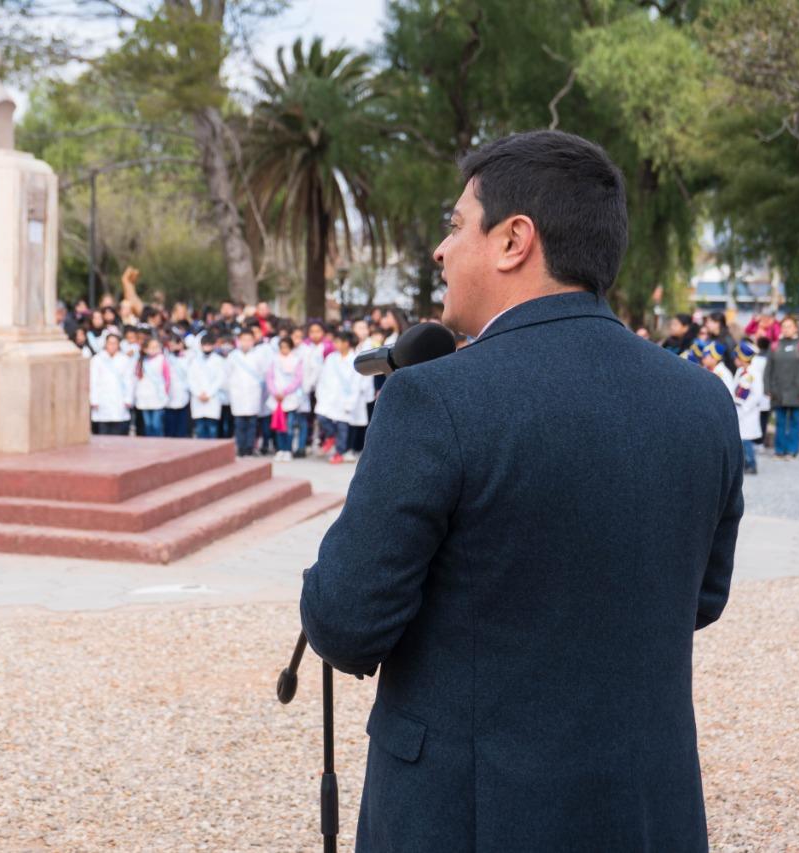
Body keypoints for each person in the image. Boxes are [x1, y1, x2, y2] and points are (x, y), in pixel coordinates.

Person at [300, 130, 742, 852]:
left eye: (454, 225)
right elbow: (702, 596)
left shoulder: (433, 400)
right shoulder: (702, 400)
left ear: (514, 240)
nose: (441, 252)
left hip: (469, 814)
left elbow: (346, 620)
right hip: (645, 807)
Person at [764, 316, 799, 459]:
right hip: (778, 391)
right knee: (779, 421)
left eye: (789, 326)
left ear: (795, 328)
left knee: (794, 421)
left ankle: (792, 450)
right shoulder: (774, 346)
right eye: (784, 326)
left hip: (796, 391)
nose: (786, 329)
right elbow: (768, 369)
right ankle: (779, 450)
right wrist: (767, 388)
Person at [313, 330, 361, 465]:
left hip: (345, 399)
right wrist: (320, 395)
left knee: (342, 427)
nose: (335, 344)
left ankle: (339, 453)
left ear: (346, 343)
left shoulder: (354, 360)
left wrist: (350, 402)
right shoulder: (331, 358)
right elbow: (323, 378)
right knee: (321, 417)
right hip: (328, 397)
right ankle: (330, 436)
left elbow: (357, 382)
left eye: (338, 341)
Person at [226, 328, 265, 457]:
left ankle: (250, 447)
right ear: (238, 341)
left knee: (252, 424)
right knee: (239, 424)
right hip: (238, 394)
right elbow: (227, 375)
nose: (246, 342)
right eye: (244, 340)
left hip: (253, 394)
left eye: (249, 340)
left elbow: (262, 374)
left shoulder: (258, 356)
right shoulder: (233, 356)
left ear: (253, 341)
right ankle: (240, 448)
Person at [266, 336, 304, 462]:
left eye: (286, 347)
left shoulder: (296, 360)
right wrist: (274, 392)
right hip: (276, 398)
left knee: (289, 426)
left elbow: (297, 380)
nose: (284, 350)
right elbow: (269, 378)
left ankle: (288, 449)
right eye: (282, 347)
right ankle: (280, 449)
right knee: (278, 425)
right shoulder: (274, 360)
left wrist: (285, 392)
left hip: (289, 398)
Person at [89, 333, 134, 436]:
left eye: (115, 343)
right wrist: (93, 399)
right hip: (102, 400)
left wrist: (128, 398)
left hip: (119, 400)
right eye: (110, 343)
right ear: (106, 344)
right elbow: (93, 380)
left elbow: (129, 381)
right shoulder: (97, 359)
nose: (112, 346)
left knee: (119, 431)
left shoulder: (124, 360)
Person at [733, 341, 764, 474]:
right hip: (738, 409)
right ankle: (744, 463)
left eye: (737, 357)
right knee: (740, 439)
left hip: (748, 411)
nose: (735, 359)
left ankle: (751, 463)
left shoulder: (754, 373)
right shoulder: (740, 371)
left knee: (746, 440)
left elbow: (757, 394)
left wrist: (745, 408)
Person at [187, 333, 226, 439]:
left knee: (212, 428)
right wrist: (198, 393)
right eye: (204, 345)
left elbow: (220, 379)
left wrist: (209, 393)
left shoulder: (219, 360)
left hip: (212, 399)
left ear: (213, 345)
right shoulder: (194, 361)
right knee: (199, 429)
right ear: (200, 345)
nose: (206, 347)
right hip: (198, 398)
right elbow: (191, 379)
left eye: (209, 345)